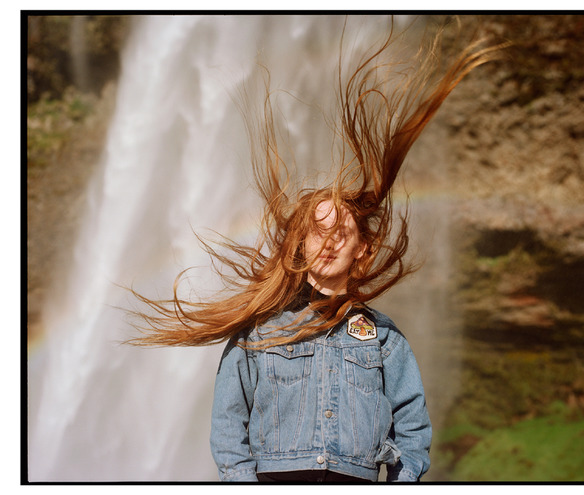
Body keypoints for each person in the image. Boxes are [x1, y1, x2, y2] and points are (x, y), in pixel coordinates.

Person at [128, 17, 505, 482]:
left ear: (363, 250)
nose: (328, 243)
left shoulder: (384, 340)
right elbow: (229, 429)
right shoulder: (256, 334)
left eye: (341, 232)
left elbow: (413, 430)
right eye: (317, 232)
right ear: (299, 246)